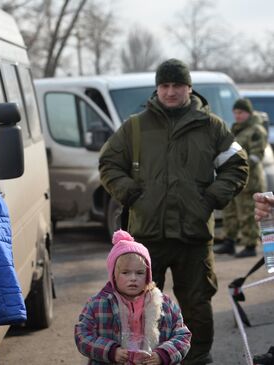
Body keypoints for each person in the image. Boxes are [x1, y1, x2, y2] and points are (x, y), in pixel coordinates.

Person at [99, 58, 249, 364]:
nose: (170, 91)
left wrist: (208, 200)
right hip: (146, 237)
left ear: (189, 88)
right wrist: (132, 194)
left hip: (194, 235)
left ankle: (196, 359)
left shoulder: (211, 127)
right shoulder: (135, 127)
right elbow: (109, 164)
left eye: (177, 85)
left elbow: (237, 165)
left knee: (196, 305)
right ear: (157, 88)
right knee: (140, 306)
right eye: (164, 85)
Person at [75, 230, 191, 365]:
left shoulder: (164, 304)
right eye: (126, 272)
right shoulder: (98, 304)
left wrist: (164, 354)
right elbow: (82, 335)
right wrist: (111, 351)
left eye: (140, 273)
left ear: (148, 275)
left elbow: (183, 335)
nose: (133, 278)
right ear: (113, 275)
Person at [214, 98, 268, 257]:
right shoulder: (236, 129)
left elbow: (256, 156)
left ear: (249, 113)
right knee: (231, 211)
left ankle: (250, 245)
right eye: (235, 112)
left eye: (241, 112)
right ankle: (229, 241)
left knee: (248, 213)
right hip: (234, 178)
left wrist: (238, 166)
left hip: (251, 180)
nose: (237, 116)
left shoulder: (256, 130)